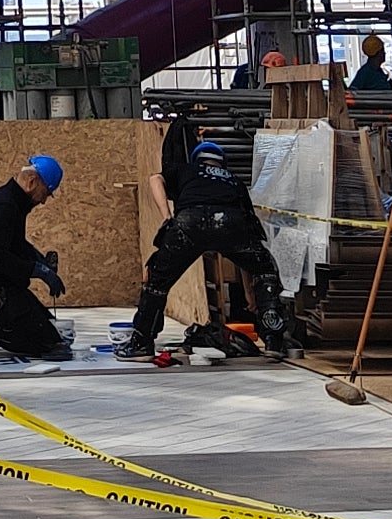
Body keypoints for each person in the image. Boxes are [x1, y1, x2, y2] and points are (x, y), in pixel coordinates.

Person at [118, 108, 293, 361]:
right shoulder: (233, 180)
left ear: (197, 159)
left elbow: (155, 179)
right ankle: (274, 340)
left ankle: (140, 344)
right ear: (221, 162)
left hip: (191, 222)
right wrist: (249, 293)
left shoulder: (187, 170)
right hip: (232, 223)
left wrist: (168, 218)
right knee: (265, 270)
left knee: (157, 281)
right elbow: (249, 239)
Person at [0, 154, 68, 360]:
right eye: (46, 192)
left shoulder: (13, 201)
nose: (44, 200)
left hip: (9, 287)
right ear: (32, 182)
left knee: (54, 337)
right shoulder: (5, 207)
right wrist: (38, 271)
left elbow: (16, 244)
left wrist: (40, 260)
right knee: (45, 345)